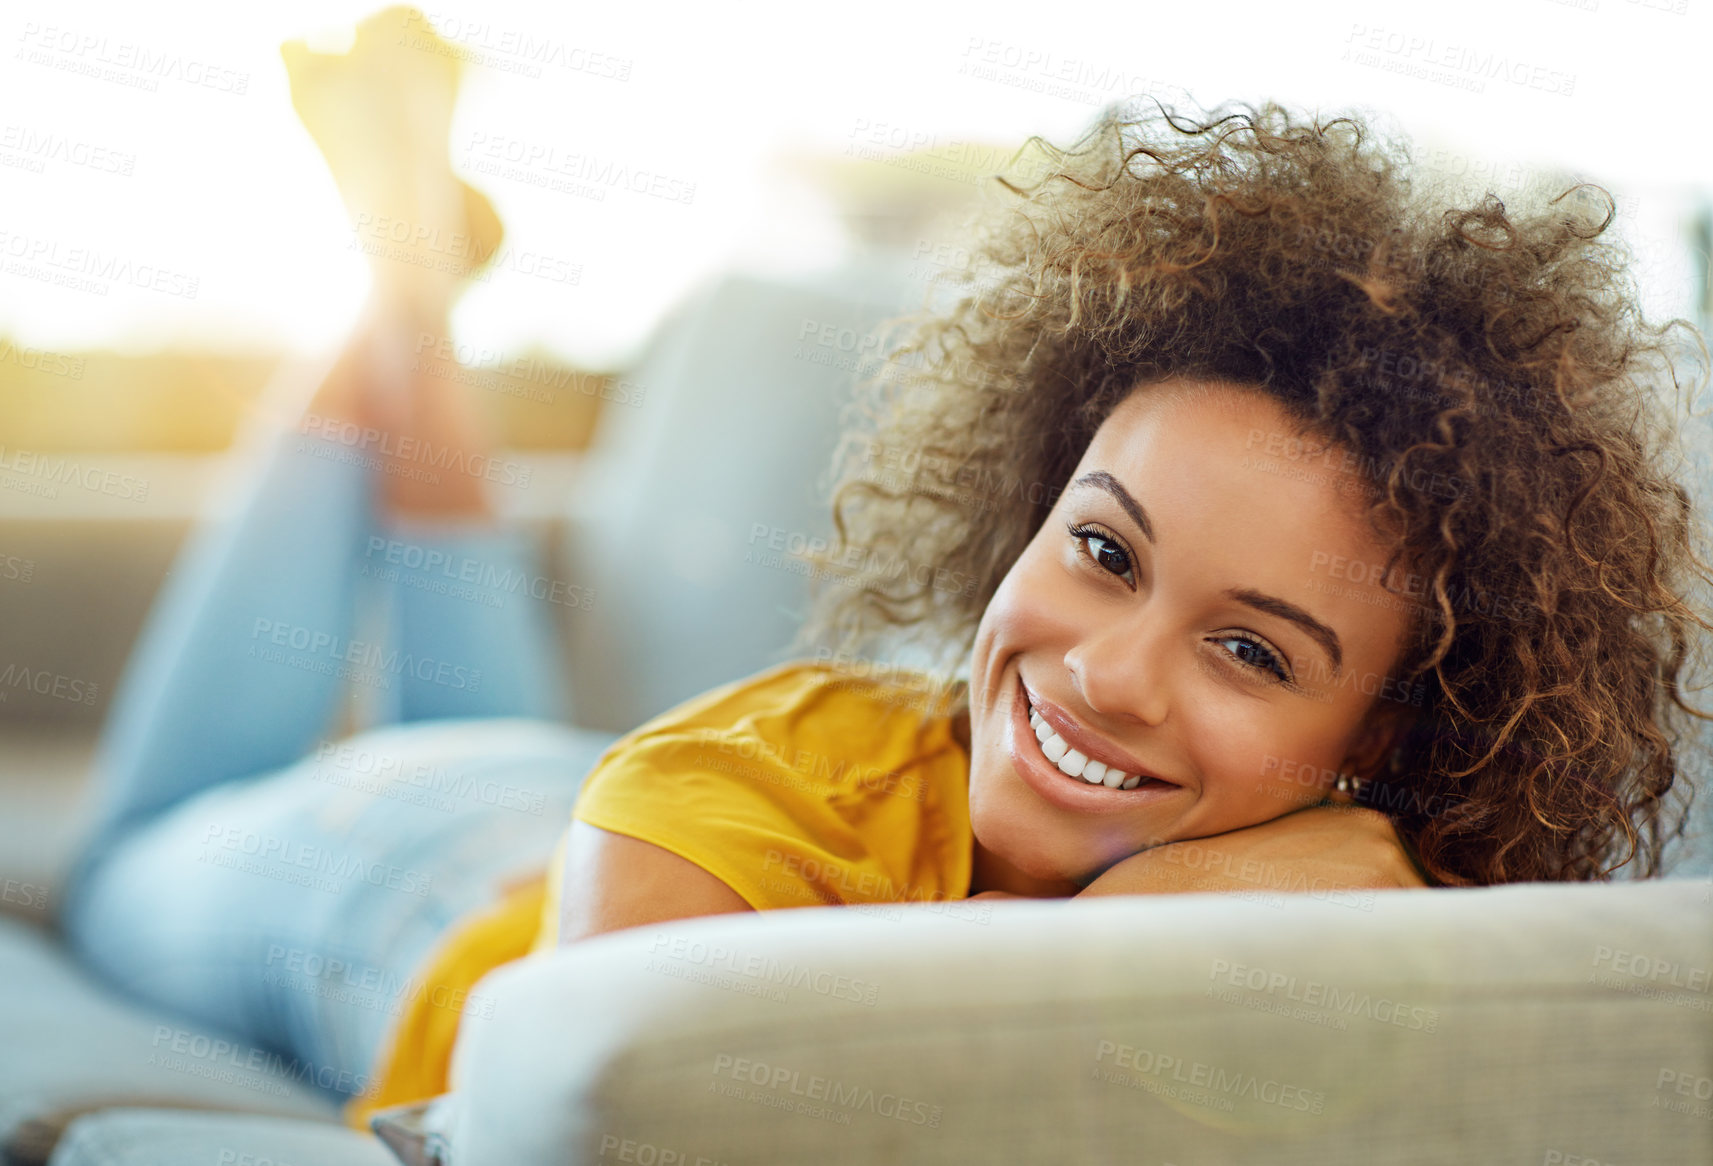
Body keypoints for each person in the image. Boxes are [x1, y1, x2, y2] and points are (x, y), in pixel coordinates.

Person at [52, 98, 1713, 1134]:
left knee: (480, 715)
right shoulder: (754, 777)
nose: (1106, 671)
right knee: (123, 857)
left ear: (1391, 736)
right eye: (1104, 552)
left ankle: (410, 283)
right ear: (1032, 500)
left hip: (582, 787)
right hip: (389, 878)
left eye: (1249, 648)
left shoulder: (1387, 904)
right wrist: (1141, 925)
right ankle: (395, 286)